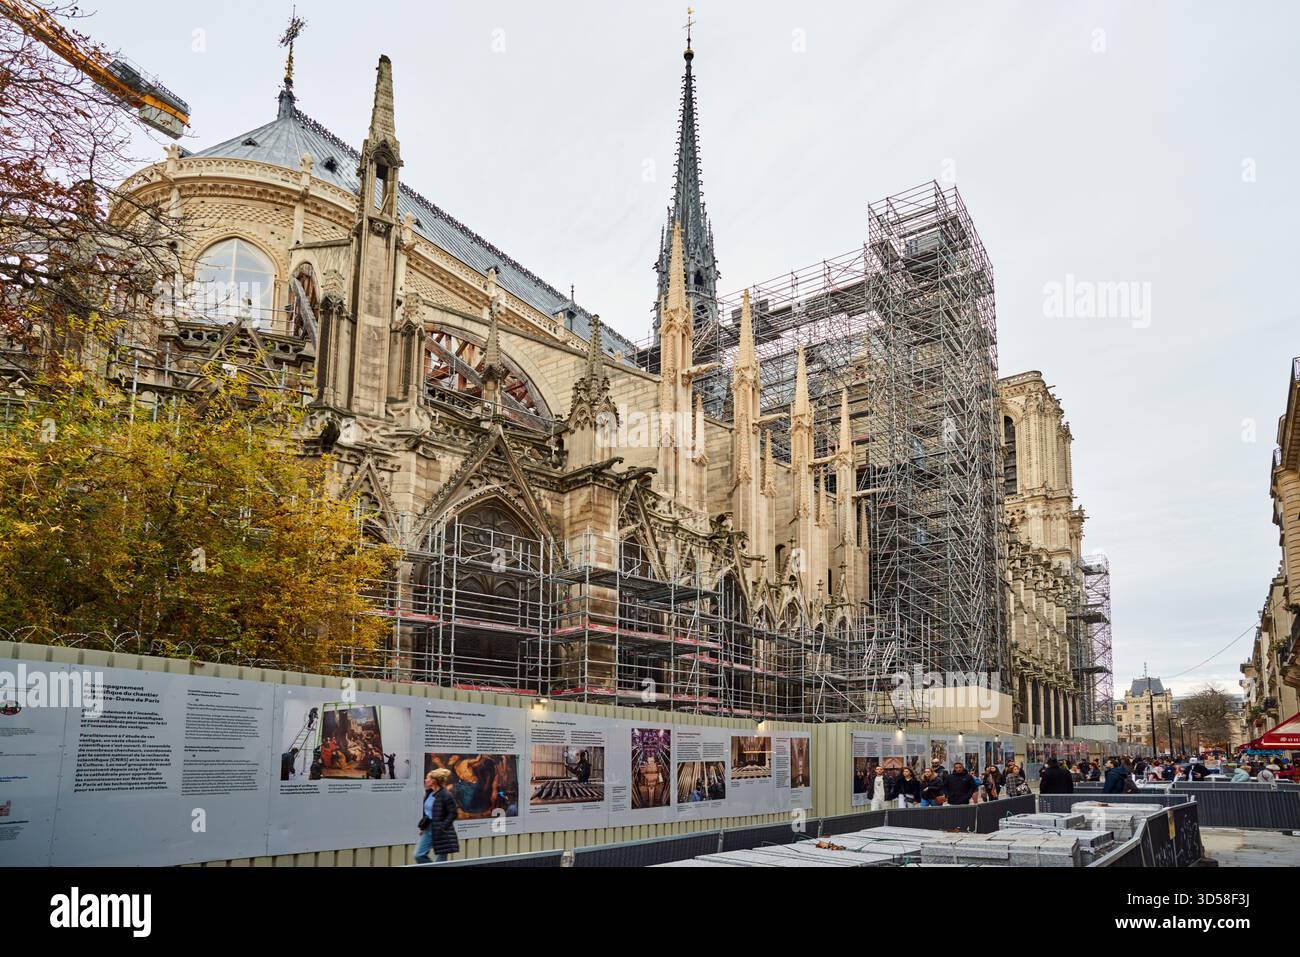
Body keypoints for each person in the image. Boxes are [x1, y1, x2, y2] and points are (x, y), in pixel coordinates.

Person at [414, 767, 460, 864]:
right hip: (428, 828)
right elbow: (428, 812)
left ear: (434, 781)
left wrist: (443, 827)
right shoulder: (429, 793)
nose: (425, 780)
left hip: (442, 830)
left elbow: (453, 813)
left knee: (441, 861)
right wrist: (423, 827)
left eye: (428, 778)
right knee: (418, 855)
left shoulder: (446, 795)